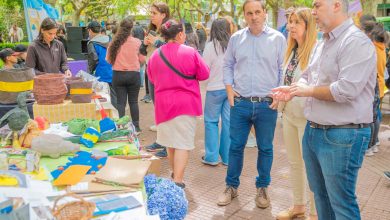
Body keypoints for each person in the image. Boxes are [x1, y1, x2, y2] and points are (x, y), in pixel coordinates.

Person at [272, 0, 376, 219]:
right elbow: (308, 76)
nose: (313, 11)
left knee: (341, 203)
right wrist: (292, 89)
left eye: (317, 5)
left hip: (342, 134)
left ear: (336, 5)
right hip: (315, 131)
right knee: (321, 198)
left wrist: (305, 91)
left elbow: (346, 90)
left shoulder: (355, 41)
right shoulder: (324, 42)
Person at [217, 0, 286, 208]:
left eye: (257, 12)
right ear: (244, 15)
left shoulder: (278, 39)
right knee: (235, 147)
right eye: (249, 13)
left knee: (265, 148)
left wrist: (279, 96)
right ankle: (231, 187)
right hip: (241, 103)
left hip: (267, 105)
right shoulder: (236, 38)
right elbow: (227, 64)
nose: (254, 16)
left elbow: (282, 69)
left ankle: (263, 188)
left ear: (265, 13)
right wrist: (229, 90)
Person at [147, 19, 209, 188]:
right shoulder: (190, 52)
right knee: (182, 143)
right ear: (180, 34)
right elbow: (204, 74)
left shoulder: (155, 55)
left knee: (170, 142)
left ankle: (175, 174)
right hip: (185, 104)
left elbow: (151, 78)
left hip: (163, 106)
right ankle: (178, 181)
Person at [275, 8, 317, 220]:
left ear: (307, 26)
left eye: (296, 22)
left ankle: (314, 212)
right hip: (289, 115)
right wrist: (280, 96)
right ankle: (298, 205)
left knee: (310, 167)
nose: (290, 26)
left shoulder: (315, 52)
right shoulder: (291, 51)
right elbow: (288, 82)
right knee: (294, 164)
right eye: (290, 22)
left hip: (308, 118)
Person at [106, 17, 145, 133]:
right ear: (131, 29)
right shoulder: (138, 42)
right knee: (133, 101)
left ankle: (121, 126)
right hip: (134, 75)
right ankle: (136, 126)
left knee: (120, 102)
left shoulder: (113, 43)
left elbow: (108, 60)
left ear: (120, 28)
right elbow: (142, 59)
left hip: (118, 75)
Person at [202, 18, 231, 166]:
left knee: (211, 122)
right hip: (231, 89)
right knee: (228, 122)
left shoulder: (210, 46)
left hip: (214, 89)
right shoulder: (234, 45)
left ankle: (212, 156)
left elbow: (204, 70)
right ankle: (226, 157)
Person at [144, 2, 171, 158]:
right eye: (151, 13)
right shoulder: (153, 30)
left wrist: (157, 42)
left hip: (164, 76)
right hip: (151, 72)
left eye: (154, 13)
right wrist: (145, 44)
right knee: (158, 110)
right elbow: (144, 51)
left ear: (163, 14)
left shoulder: (169, 30)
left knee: (165, 111)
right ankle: (161, 140)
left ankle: (168, 146)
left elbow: (172, 48)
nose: (151, 15)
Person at [359, 17, 387, 156]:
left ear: (369, 34)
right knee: (376, 117)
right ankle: (374, 142)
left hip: (374, 87)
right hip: (380, 86)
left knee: (371, 118)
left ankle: (370, 145)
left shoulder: (372, 49)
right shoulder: (382, 48)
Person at [87, 21, 117, 109]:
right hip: (113, 71)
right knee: (114, 96)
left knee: (102, 97)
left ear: (90, 31)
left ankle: (105, 117)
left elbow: (94, 59)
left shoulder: (91, 43)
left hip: (101, 73)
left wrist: (90, 71)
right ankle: (116, 117)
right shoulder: (109, 39)